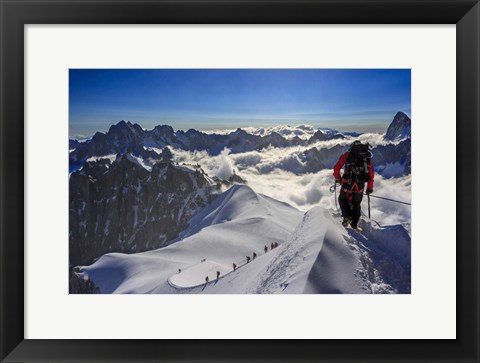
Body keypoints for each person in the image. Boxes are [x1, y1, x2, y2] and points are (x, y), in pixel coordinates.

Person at [333, 141, 374, 230]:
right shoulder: (366, 157)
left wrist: (338, 178)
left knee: (342, 199)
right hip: (360, 185)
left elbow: (337, 167)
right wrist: (370, 187)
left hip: (347, 183)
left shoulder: (348, 154)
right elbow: (371, 174)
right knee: (356, 203)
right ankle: (354, 223)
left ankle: (347, 217)